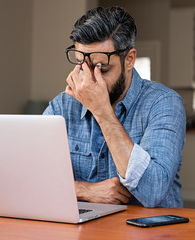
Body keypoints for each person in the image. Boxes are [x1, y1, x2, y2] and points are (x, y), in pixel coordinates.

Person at [43, 6, 186, 208]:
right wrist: (84, 190)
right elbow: (31, 179)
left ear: (129, 60)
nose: (89, 78)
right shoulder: (61, 106)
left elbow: (153, 190)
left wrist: (101, 111)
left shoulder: (163, 103)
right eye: (80, 64)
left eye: (101, 67)